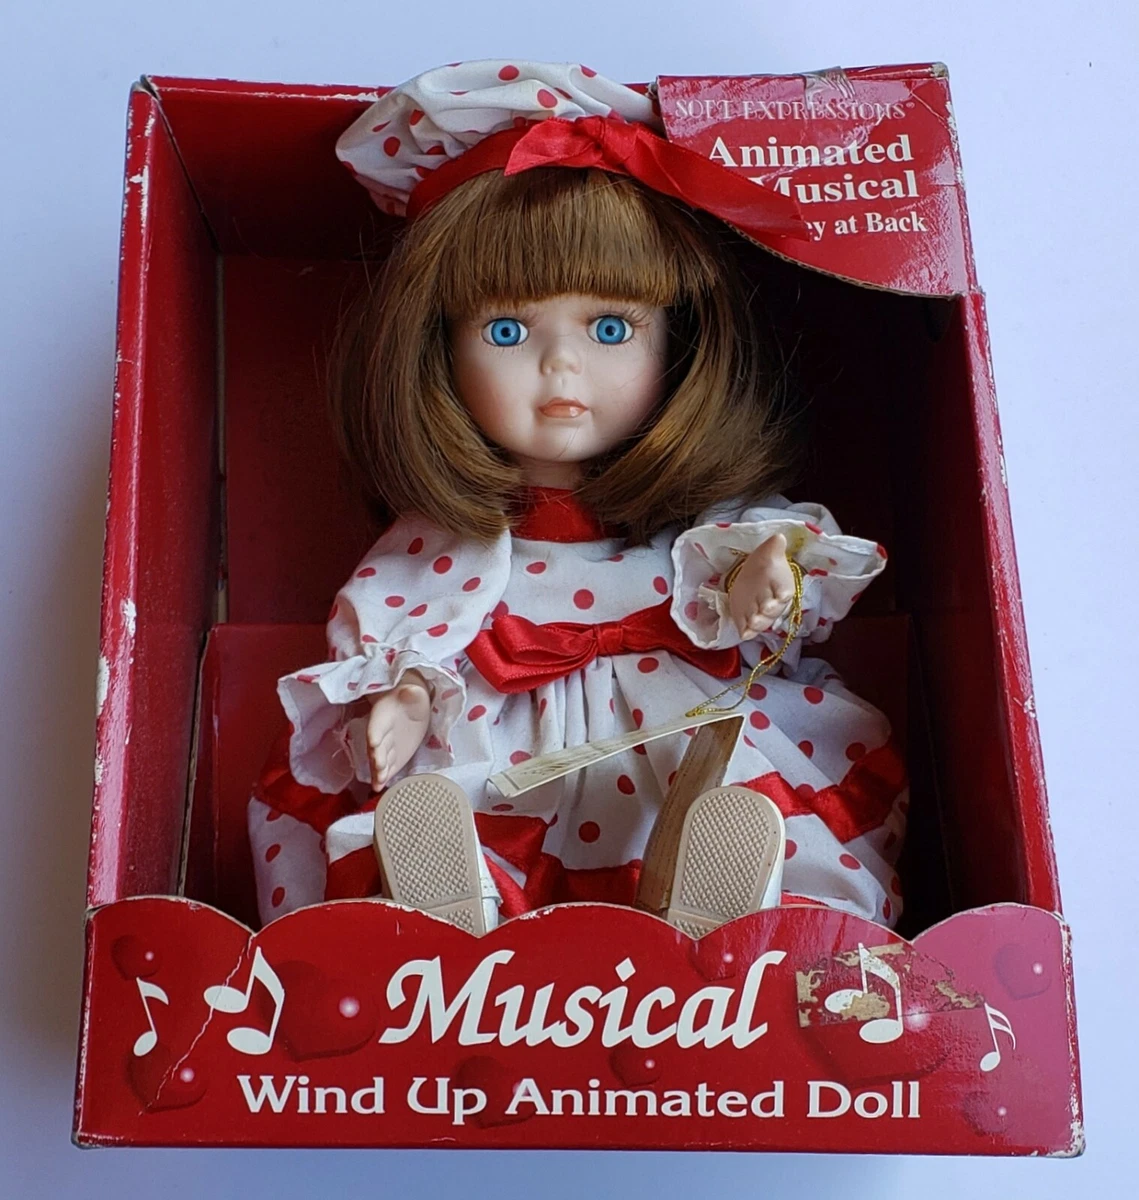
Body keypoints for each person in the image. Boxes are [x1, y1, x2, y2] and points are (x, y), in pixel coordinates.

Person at [248, 60, 906, 937]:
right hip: (501, 742)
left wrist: (763, 574)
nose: (561, 367)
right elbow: (401, 623)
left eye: (609, 328)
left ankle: (726, 917)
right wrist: (403, 697)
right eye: (506, 331)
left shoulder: (693, 519)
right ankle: (450, 916)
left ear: (678, 342)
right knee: (448, 800)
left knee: (738, 793)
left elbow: (773, 565)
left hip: (681, 730)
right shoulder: (455, 536)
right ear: (437, 353)